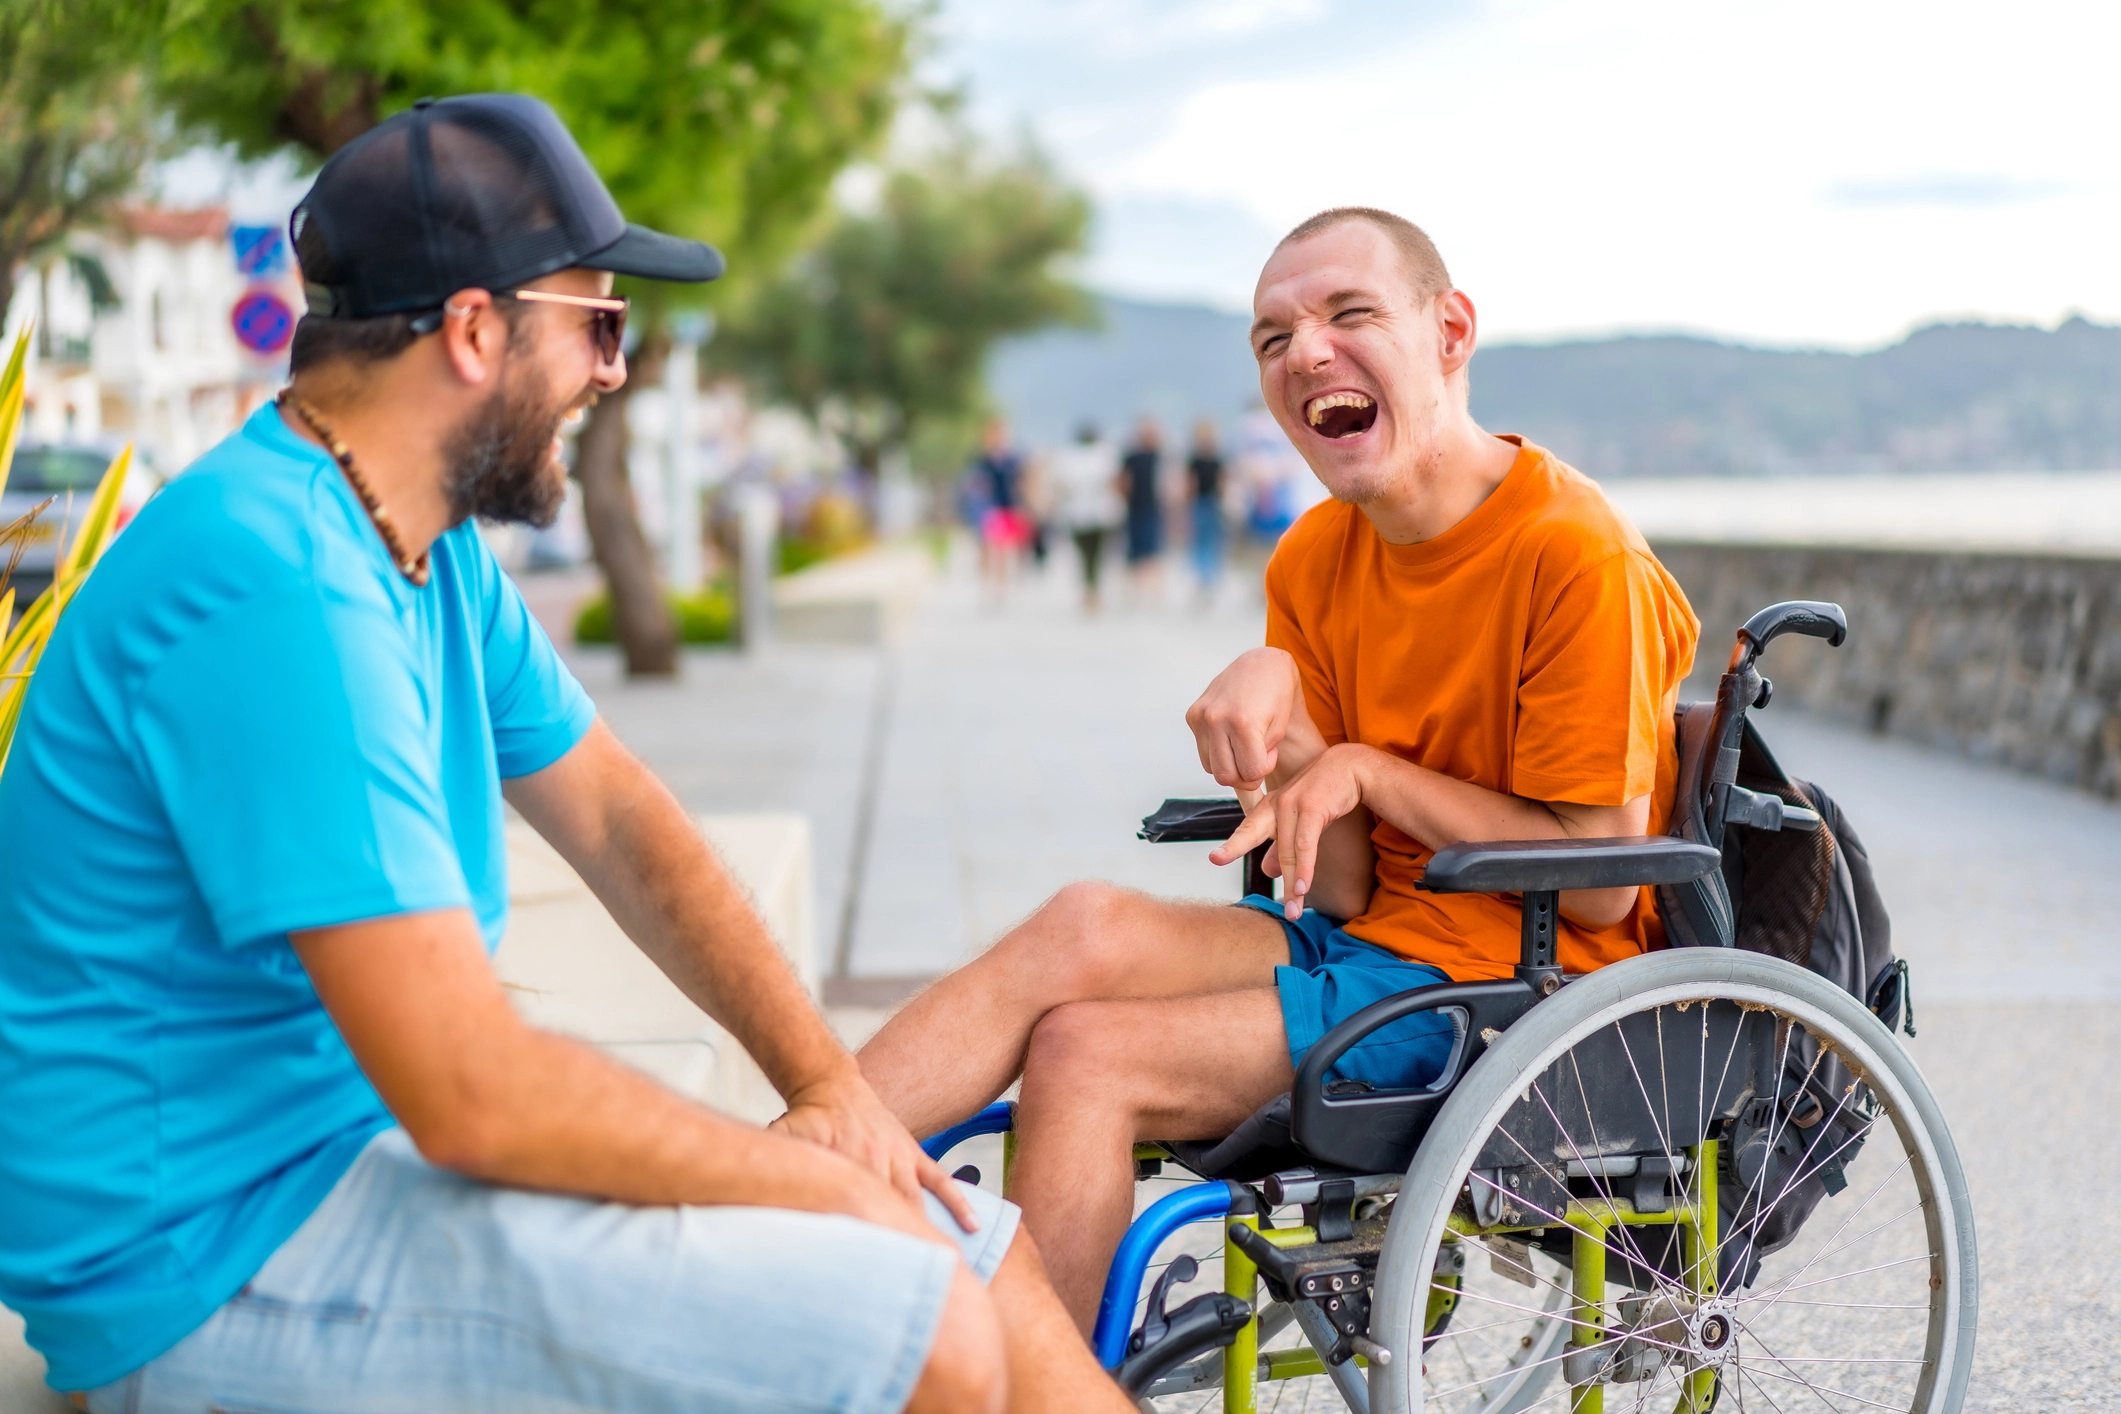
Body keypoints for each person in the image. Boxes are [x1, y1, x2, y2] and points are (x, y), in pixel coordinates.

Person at [0, 94, 1128, 1414]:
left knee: (968, 1251)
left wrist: (835, 1096)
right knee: (920, 1312)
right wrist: (811, 1179)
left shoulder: (417, 539)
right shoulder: (279, 586)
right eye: (599, 323)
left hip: (326, 1166)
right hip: (205, 1261)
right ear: (475, 330)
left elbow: (615, 817)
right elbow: (472, 1092)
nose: (614, 370)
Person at [855, 206, 1700, 1328]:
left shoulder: (1575, 556)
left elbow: (1600, 882)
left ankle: (1035, 1389)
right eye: (1272, 338)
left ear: (1450, 331)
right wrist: (1296, 736)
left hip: (1520, 988)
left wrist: (1364, 768)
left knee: (1087, 1054)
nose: (1305, 352)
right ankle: (762, 1183)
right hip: (1364, 942)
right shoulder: (1314, 554)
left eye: (1351, 313)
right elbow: (1344, 885)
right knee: (1079, 925)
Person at [1047, 422, 1123, 613]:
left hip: (1099, 513)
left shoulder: (1105, 454)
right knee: (1084, 554)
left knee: (1095, 554)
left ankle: (1093, 590)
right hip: (1078, 513)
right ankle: (1089, 588)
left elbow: (1114, 482)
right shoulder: (1070, 456)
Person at [970, 418, 1029, 599]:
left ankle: (1001, 588)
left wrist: (1023, 505)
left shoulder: (1013, 459)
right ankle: (987, 584)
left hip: (1009, 507)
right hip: (988, 509)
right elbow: (975, 484)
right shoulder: (981, 460)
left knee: (1004, 550)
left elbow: (1021, 483)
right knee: (987, 548)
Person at [1118, 417, 1164, 603]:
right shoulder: (1133, 456)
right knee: (1137, 550)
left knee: (1150, 550)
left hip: (1150, 506)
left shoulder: (1157, 456)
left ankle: (1150, 589)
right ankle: (1138, 589)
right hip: (1136, 507)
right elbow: (1123, 481)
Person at [1186, 418, 1228, 601]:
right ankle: (1208, 577)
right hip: (1209, 501)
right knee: (1210, 540)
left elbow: (1191, 484)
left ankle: (1206, 578)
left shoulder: (1195, 459)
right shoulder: (1214, 459)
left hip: (1204, 502)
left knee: (1203, 541)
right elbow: (1221, 482)